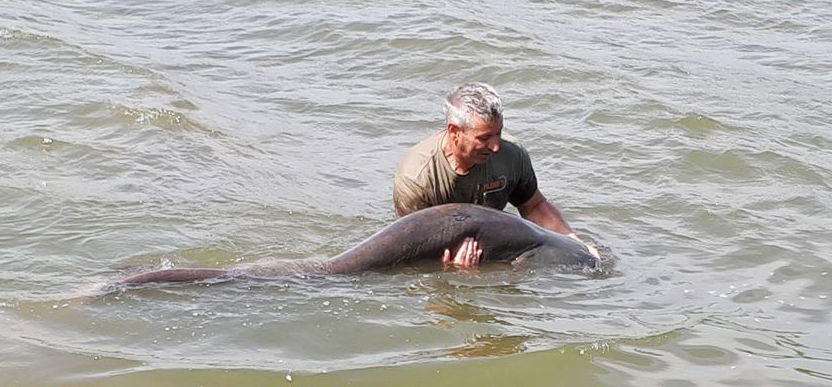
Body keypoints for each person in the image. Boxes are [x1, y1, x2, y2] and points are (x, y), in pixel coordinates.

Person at [392, 83, 600, 269]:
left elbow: (534, 206)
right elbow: (411, 247)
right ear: (454, 131)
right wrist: (452, 270)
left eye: (498, 133)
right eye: (484, 138)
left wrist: (574, 242)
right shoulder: (417, 177)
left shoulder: (511, 154)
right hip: (446, 252)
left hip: (488, 242)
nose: (495, 146)